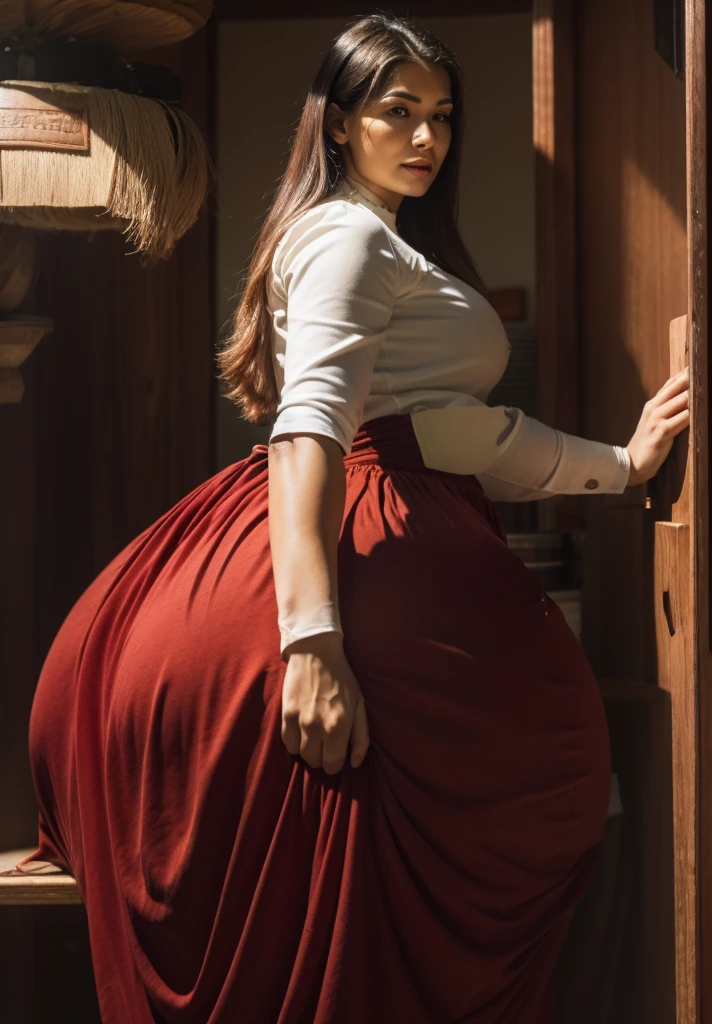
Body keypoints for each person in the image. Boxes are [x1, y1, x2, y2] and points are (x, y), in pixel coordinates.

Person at [20, 13, 689, 1024]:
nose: (426, 138)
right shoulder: (342, 235)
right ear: (338, 126)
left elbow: (462, 433)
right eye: (396, 112)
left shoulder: (381, 242)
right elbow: (310, 432)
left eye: (441, 116)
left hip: (400, 495)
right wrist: (312, 643)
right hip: (341, 523)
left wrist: (621, 465)